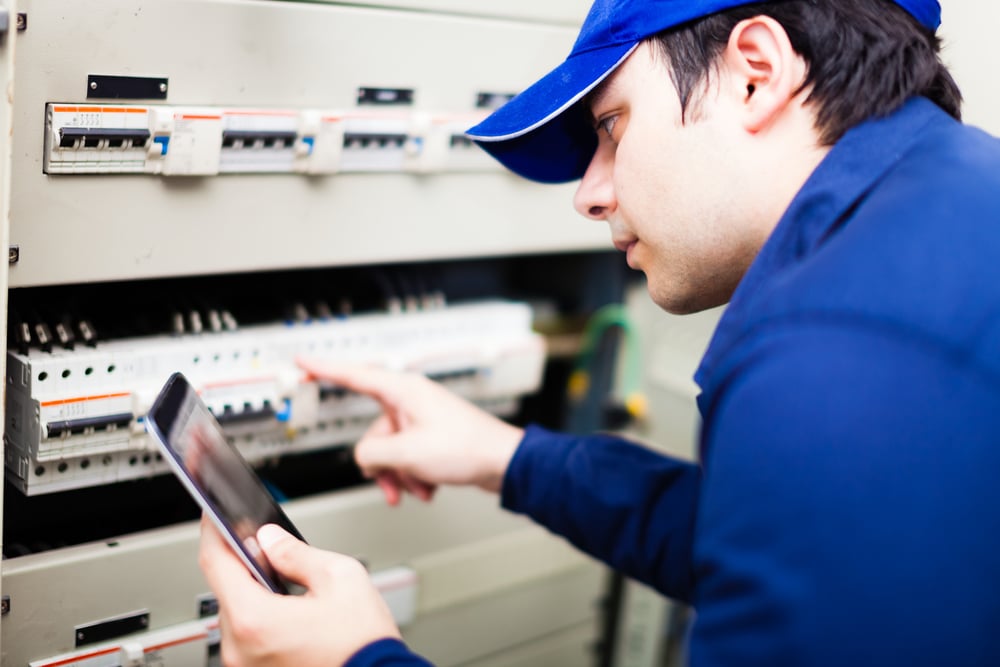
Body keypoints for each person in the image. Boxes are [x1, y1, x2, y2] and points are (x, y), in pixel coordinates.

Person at [199, 0, 1000, 665]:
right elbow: (799, 554)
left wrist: (356, 659)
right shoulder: (946, 206)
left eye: (612, 127)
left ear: (756, 73)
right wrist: (510, 458)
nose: (589, 193)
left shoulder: (841, 351)